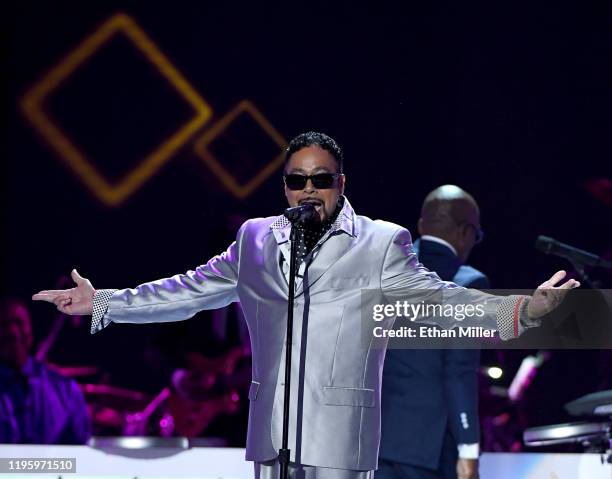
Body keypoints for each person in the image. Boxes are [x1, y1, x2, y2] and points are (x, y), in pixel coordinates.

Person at [33, 132, 578, 478]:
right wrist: (104, 301)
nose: (308, 190)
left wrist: (522, 311)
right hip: (271, 437)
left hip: (339, 439)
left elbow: (442, 301)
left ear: (341, 183)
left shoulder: (380, 242)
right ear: (285, 186)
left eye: (321, 179)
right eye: (297, 181)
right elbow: (184, 292)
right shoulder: (254, 239)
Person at [379, 185, 488, 479]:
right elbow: (459, 372)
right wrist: (468, 449)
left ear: (421, 226)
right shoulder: (468, 284)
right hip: (430, 451)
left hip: (370, 443)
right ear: (465, 233)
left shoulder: (382, 269)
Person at [0, 298, 91, 444]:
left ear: (30, 330)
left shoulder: (65, 389)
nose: (12, 331)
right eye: (4, 325)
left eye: (18, 323)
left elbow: (80, 453)